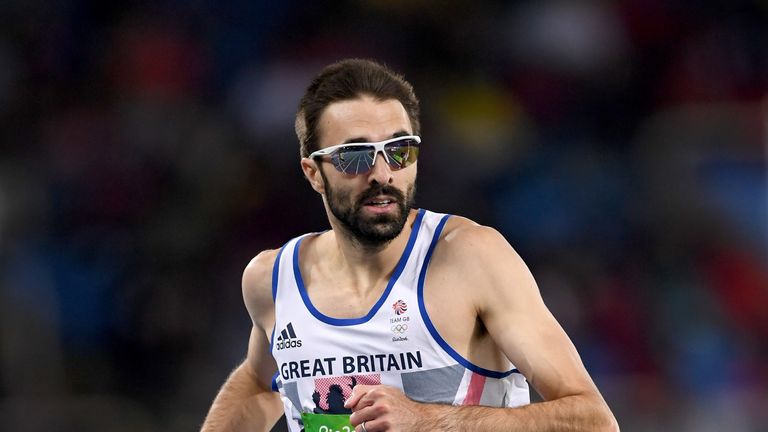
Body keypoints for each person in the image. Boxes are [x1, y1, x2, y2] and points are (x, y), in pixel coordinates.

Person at [201, 59, 618, 432]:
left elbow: (592, 420)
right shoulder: (272, 279)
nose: (383, 173)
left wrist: (431, 420)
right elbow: (260, 384)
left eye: (399, 151)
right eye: (355, 155)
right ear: (313, 173)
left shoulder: (470, 258)